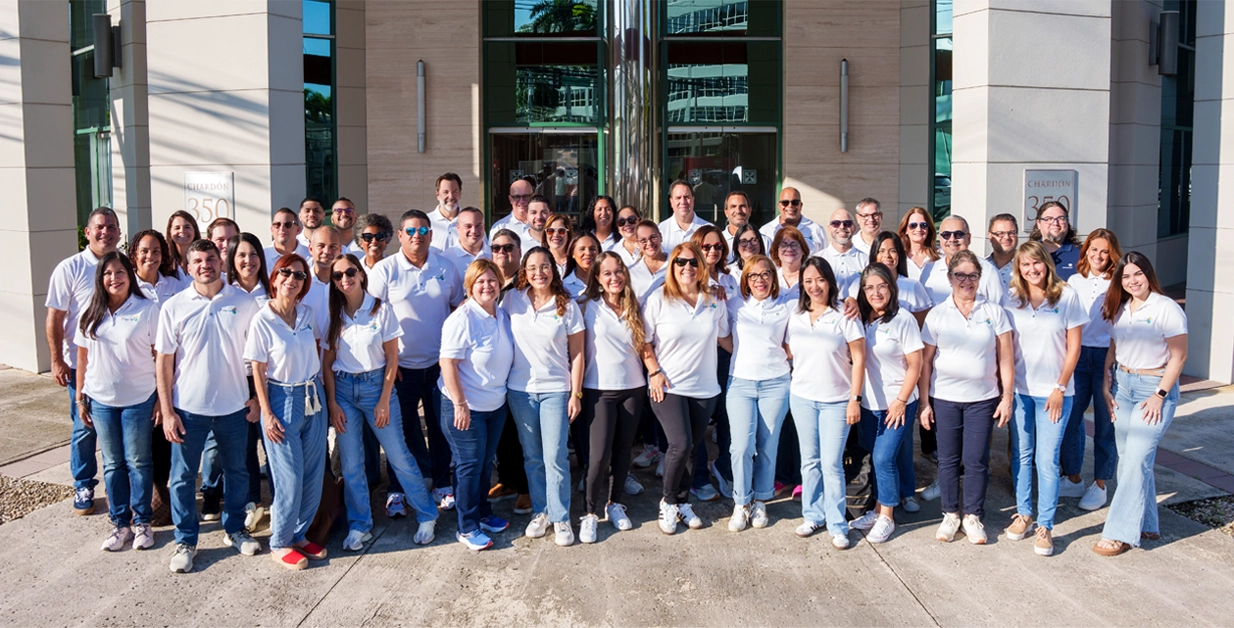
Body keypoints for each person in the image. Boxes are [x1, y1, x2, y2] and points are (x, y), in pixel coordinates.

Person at [156, 239, 261, 574]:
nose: (206, 265)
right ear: (188, 268)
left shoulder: (244, 303)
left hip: (233, 406)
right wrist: (168, 410)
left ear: (221, 263)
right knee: (184, 477)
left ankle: (235, 530)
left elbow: (259, 356)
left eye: (211, 259)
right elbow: (164, 362)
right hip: (188, 409)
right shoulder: (174, 306)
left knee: (237, 471)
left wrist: (257, 397)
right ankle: (186, 540)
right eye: (198, 261)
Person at [322, 253, 437, 552]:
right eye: (337, 276)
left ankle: (427, 514)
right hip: (344, 390)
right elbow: (327, 363)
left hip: (376, 388)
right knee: (351, 464)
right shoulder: (333, 315)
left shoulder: (381, 310)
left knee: (399, 456)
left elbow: (392, 359)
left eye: (350, 272)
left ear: (361, 274)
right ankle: (360, 524)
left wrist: (384, 400)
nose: (344, 279)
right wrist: (333, 402)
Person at [368, 209, 465, 513]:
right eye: (410, 231)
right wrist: (387, 363)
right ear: (399, 236)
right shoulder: (385, 270)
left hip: (438, 368)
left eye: (423, 231)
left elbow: (457, 311)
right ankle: (397, 488)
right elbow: (373, 320)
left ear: (431, 235)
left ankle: (441, 482)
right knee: (401, 432)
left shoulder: (446, 268)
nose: (417, 237)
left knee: (440, 428)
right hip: (400, 369)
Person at [1093, 252, 1188, 557]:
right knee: (1130, 460)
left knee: (1136, 459)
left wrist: (1160, 395)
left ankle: (1119, 532)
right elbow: (1113, 348)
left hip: (1154, 388)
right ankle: (1147, 523)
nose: (1133, 281)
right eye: (1126, 276)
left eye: (1138, 274)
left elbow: (1179, 356)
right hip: (1123, 386)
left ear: (1148, 274)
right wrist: (1107, 385)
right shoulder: (1121, 309)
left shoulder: (1165, 308)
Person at [918, 250, 1015, 545]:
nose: (966, 281)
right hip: (944, 398)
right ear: (949, 278)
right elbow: (925, 362)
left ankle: (972, 515)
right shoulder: (937, 314)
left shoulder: (994, 312)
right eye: (960, 275)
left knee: (976, 460)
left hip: (983, 399)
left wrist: (1006, 396)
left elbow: (1006, 358)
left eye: (972, 275)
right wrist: (924, 403)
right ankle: (950, 514)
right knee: (947, 460)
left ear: (979, 278)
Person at [1000, 241, 1087, 556]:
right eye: (1025, 265)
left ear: (1046, 265)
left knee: (1046, 460)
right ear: (1018, 268)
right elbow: (1006, 348)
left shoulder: (1067, 296)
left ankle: (1045, 525)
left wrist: (1060, 388)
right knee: (1022, 455)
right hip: (1022, 392)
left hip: (1055, 394)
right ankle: (1024, 513)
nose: (1031, 269)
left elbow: (1074, 347)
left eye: (1036, 263)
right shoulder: (1011, 299)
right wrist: (1007, 392)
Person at [642, 242, 733, 535]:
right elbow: (643, 342)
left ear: (702, 268)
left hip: (704, 388)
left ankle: (682, 501)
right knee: (679, 444)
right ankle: (667, 502)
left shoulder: (714, 300)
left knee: (693, 448)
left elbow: (725, 339)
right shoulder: (658, 299)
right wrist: (654, 371)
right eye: (680, 262)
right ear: (672, 266)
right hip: (668, 386)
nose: (687, 268)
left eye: (693, 263)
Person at [245, 254, 326, 570]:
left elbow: (317, 348)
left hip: (312, 396)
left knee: (313, 474)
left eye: (300, 275)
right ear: (275, 277)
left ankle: (299, 534)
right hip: (281, 397)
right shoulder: (262, 320)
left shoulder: (307, 313)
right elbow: (258, 368)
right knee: (288, 476)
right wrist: (266, 412)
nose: (293, 279)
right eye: (286, 273)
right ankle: (280, 540)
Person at [74, 252, 159, 552]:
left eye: (120, 271)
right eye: (108, 273)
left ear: (130, 274)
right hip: (101, 400)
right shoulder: (90, 309)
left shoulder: (147, 309)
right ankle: (120, 523)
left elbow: (159, 356)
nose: (114, 278)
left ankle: (143, 523)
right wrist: (81, 398)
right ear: (100, 278)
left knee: (138, 461)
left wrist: (161, 397)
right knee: (112, 464)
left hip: (139, 398)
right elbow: (82, 358)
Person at [502, 247, 585, 547]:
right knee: (533, 457)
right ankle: (542, 511)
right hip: (520, 391)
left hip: (556, 390)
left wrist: (576, 393)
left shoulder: (567, 306)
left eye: (545, 266)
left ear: (554, 269)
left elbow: (577, 354)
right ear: (524, 271)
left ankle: (561, 517)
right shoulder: (512, 299)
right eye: (533, 267)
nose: (540, 272)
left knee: (555, 456)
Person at [786, 257, 865, 549]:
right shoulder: (795, 315)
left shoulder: (844, 314)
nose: (814, 286)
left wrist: (854, 399)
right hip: (803, 397)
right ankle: (813, 515)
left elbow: (859, 360)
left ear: (830, 282)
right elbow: (787, 348)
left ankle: (837, 523)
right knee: (810, 462)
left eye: (819, 280)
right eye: (808, 281)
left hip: (836, 401)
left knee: (832, 463)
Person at [47, 206, 120, 515]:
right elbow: (55, 317)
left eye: (111, 227)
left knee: (118, 428)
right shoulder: (70, 268)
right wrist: (56, 360)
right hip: (81, 363)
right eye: (99, 227)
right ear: (88, 232)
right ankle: (84, 482)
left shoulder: (123, 266)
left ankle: (122, 483)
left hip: (118, 363)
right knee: (84, 425)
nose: (106, 232)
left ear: (119, 233)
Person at [439, 259, 515, 551]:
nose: (487, 286)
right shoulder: (462, 318)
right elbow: (448, 363)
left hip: (495, 405)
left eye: (492, 280)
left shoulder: (502, 314)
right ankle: (467, 526)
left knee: (484, 464)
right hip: (464, 405)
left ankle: (483, 512)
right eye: (480, 281)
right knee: (469, 465)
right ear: (469, 286)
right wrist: (460, 403)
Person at [848, 263, 923, 543]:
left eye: (882, 286)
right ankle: (878, 509)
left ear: (891, 288)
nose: (876, 292)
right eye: (869, 287)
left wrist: (902, 400)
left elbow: (916, 364)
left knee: (884, 458)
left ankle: (888, 517)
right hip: (869, 403)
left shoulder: (903, 319)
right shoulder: (860, 319)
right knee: (876, 457)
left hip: (897, 402)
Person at [577, 252, 646, 542]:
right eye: (607, 273)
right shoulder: (585, 307)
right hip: (598, 389)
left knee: (622, 451)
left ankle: (614, 504)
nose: (614, 277)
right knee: (598, 456)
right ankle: (590, 513)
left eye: (618, 271)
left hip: (633, 387)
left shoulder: (636, 306)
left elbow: (645, 346)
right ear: (597, 278)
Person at [724, 254, 792, 531]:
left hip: (776, 383)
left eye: (765, 274)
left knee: (767, 445)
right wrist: (742, 355)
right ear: (745, 281)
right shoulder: (734, 305)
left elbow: (793, 341)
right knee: (741, 446)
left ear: (773, 279)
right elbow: (721, 336)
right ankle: (741, 502)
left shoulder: (787, 306)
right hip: (740, 382)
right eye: (753, 276)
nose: (760, 280)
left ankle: (762, 500)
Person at [1061, 229, 1123, 510]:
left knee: (1104, 422)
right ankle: (1073, 478)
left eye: (1104, 251)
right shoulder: (1074, 281)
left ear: (1112, 255)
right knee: (1070, 418)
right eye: (1093, 249)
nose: (1098, 256)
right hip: (1077, 355)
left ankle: (1100, 484)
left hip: (1105, 357)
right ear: (1085, 251)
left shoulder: (1119, 282)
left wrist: (1113, 363)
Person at [226, 232, 274, 530]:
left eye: (253, 254)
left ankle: (282, 502)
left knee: (273, 444)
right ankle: (252, 504)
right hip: (234, 382)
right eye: (241, 255)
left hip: (268, 381)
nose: (248, 260)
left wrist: (260, 395)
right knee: (243, 450)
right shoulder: (222, 296)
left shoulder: (271, 295)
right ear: (232, 260)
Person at [486, 230, 533, 515]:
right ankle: (508, 480)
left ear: (518, 251)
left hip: (522, 372)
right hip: (496, 373)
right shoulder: (489, 285)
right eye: (497, 248)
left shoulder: (526, 287)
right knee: (502, 432)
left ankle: (526, 488)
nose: (502, 253)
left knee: (522, 433)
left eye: (508, 247)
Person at [690, 226, 738, 500]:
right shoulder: (687, 278)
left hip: (728, 356)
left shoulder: (732, 279)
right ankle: (698, 477)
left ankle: (724, 469)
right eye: (706, 246)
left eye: (718, 246)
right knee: (697, 422)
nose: (712, 251)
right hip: (699, 356)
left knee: (727, 417)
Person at [920, 216, 1006, 306]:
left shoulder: (988, 272)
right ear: (940, 239)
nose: (952, 239)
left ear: (968, 238)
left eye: (958, 234)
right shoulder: (928, 271)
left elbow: (999, 310)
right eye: (946, 235)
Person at [869, 231, 932, 326]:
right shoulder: (861, 284)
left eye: (893, 251)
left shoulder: (913, 287)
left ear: (900, 255)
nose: (887, 256)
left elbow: (922, 328)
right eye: (881, 251)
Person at [761, 187, 827, 254]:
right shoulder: (766, 231)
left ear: (800, 205)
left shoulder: (816, 230)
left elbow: (825, 260)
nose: (790, 206)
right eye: (785, 202)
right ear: (779, 206)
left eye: (795, 202)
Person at [820, 208, 868, 298]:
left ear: (854, 228)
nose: (842, 227)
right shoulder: (818, 259)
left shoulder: (866, 260)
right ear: (829, 228)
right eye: (836, 223)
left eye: (847, 223)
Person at [129, 229, 185, 304]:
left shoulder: (173, 284)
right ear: (134, 255)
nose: (150, 256)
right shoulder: (127, 286)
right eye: (144, 251)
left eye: (156, 251)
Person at [1029, 201, 1081, 280]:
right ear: (1038, 223)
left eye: (1061, 218)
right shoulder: (1028, 253)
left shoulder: (1080, 254)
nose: (1055, 223)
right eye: (1049, 219)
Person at [659, 180, 712, 252]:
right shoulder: (660, 231)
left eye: (686, 197)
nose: (683, 202)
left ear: (693, 200)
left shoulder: (709, 230)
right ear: (671, 202)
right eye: (678, 198)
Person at [441, 207, 490, 279]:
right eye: (468, 226)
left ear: (484, 227)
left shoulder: (495, 255)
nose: (473, 230)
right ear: (458, 228)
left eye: (478, 226)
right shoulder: (445, 259)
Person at [720, 191, 769, 262]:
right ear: (726, 212)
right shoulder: (719, 242)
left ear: (750, 210)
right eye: (733, 206)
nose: (738, 211)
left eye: (742, 206)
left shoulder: (765, 241)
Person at [628, 220, 668, 303]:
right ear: (638, 243)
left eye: (653, 237)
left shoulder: (676, 265)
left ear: (660, 237)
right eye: (643, 240)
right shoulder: (632, 272)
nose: (649, 243)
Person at [897, 207, 939, 282]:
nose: (919, 229)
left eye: (924, 225)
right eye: (913, 225)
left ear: (929, 229)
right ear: (906, 229)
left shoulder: (941, 256)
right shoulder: (898, 258)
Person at [490, 178, 535, 248]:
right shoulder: (499, 227)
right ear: (510, 200)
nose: (521, 201)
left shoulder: (541, 224)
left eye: (525, 196)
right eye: (517, 197)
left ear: (532, 197)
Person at [770, 225, 809, 300]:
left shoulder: (811, 278)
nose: (789, 249)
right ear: (776, 251)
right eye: (783, 245)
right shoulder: (770, 278)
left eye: (794, 245)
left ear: (803, 250)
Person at [428, 172, 464, 250]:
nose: (450, 196)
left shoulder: (471, 222)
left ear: (460, 193)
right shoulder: (427, 222)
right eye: (446, 192)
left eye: (455, 192)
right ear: (437, 194)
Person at [987, 213, 1019, 289]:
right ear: (990, 236)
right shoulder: (982, 266)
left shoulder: (1027, 267)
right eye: (1000, 233)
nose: (1007, 237)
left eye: (1011, 233)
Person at [562, 232, 600, 298]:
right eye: (582, 249)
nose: (588, 253)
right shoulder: (564, 286)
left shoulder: (606, 281)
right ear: (572, 253)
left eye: (592, 249)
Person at [542, 213, 574, 278]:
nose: (556, 235)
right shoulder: (540, 259)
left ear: (568, 234)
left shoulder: (576, 260)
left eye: (561, 231)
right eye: (550, 231)